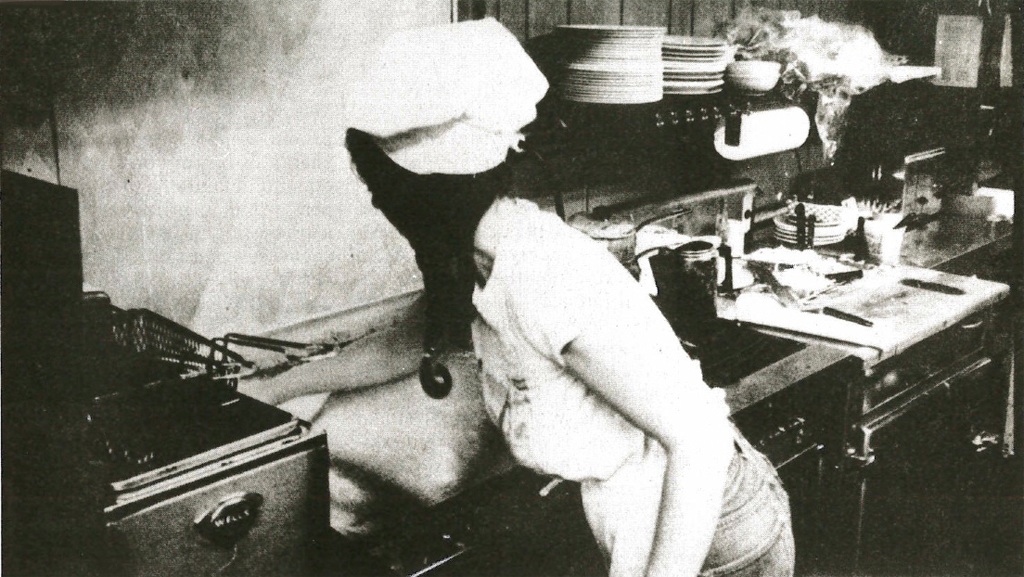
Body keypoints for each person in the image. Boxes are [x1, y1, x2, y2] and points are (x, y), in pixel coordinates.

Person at [344, 18, 795, 577]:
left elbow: (698, 440)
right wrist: (279, 386)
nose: (379, 206)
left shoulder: (538, 275)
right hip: (655, 520)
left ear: (423, 194)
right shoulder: (485, 257)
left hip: (715, 540)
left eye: (381, 189)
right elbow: (417, 339)